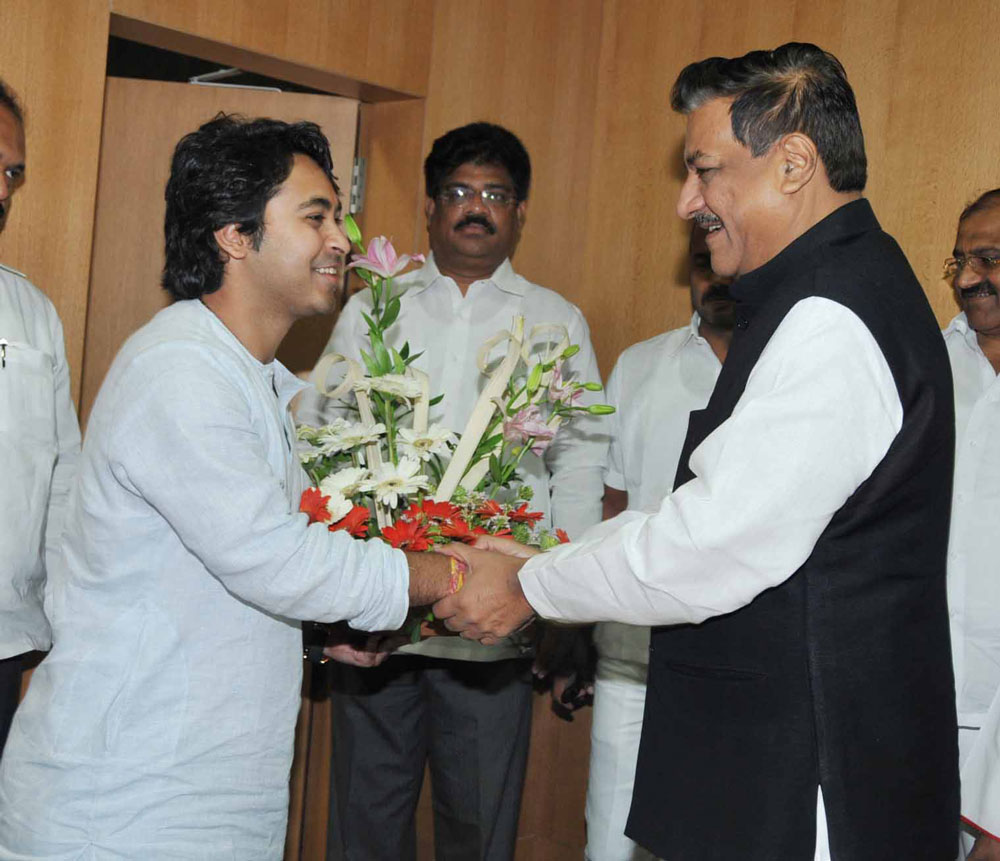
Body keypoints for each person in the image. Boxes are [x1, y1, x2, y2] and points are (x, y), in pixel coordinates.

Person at [434, 43, 959, 859]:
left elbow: (711, 547)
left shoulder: (829, 318)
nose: (687, 203)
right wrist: (550, 554)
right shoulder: (829, 292)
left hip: (810, 782)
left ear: (792, 164)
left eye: (705, 170)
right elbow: (703, 514)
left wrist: (533, 584)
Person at [0, 114, 461, 859]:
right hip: (123, 805)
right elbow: (271, 557)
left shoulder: (241, 374)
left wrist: (319, 637)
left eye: (339, 216)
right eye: (316, 216)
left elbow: (213, 579)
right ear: (234, 235)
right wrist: (445, 574)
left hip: (199, 794)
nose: (340, 240)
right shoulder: (180, 369)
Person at [297, 121, 605, 861]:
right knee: (364, 826)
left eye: (496, 194)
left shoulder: (557, 321)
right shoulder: (376, 306)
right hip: (380, 617)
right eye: (461, 191)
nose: (478, 207)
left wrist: (569, 604)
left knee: (478, 832)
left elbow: (581, 468)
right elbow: (321, 439)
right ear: (431, 208)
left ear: (520, 211)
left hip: (492, 626)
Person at [587, 226, 733, 861]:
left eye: (724, 262)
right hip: (635, 660)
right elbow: (611, 507)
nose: (715, 278)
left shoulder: (788, 373)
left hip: (744, 665)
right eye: (701, 264)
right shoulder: (641, 367)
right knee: (611, 844)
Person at [0, 79, 80, 756]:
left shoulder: (33, 313)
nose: (1, 190)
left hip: (6, 635)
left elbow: (63, 479)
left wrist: (66, 613)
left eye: (11, 172)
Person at [942, 188, 1000, 861]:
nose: (966, 278)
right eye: (959, 259)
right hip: (921, 706)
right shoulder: (926, 364)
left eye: (989, 257)